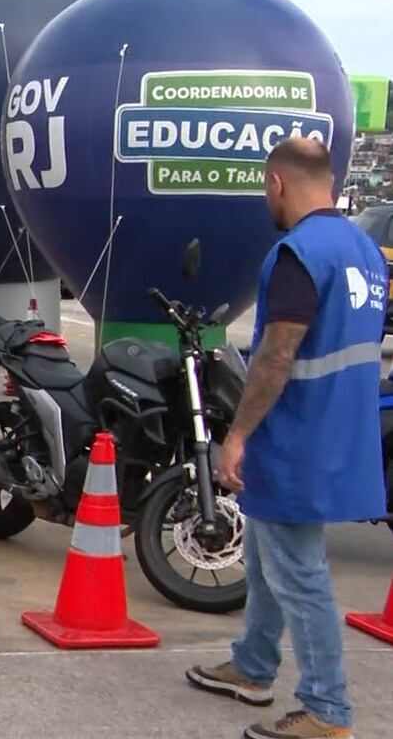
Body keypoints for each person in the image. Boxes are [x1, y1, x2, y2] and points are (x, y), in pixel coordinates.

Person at [185, 137, 387, 739]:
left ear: (276, 183)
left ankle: (327, 710)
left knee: (300, 574)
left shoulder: (298, 252)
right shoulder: (364, 250)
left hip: (297, 433)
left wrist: (238, 434)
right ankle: (252, 665)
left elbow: (276, 355)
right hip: (343, 431)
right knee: (266, 552)